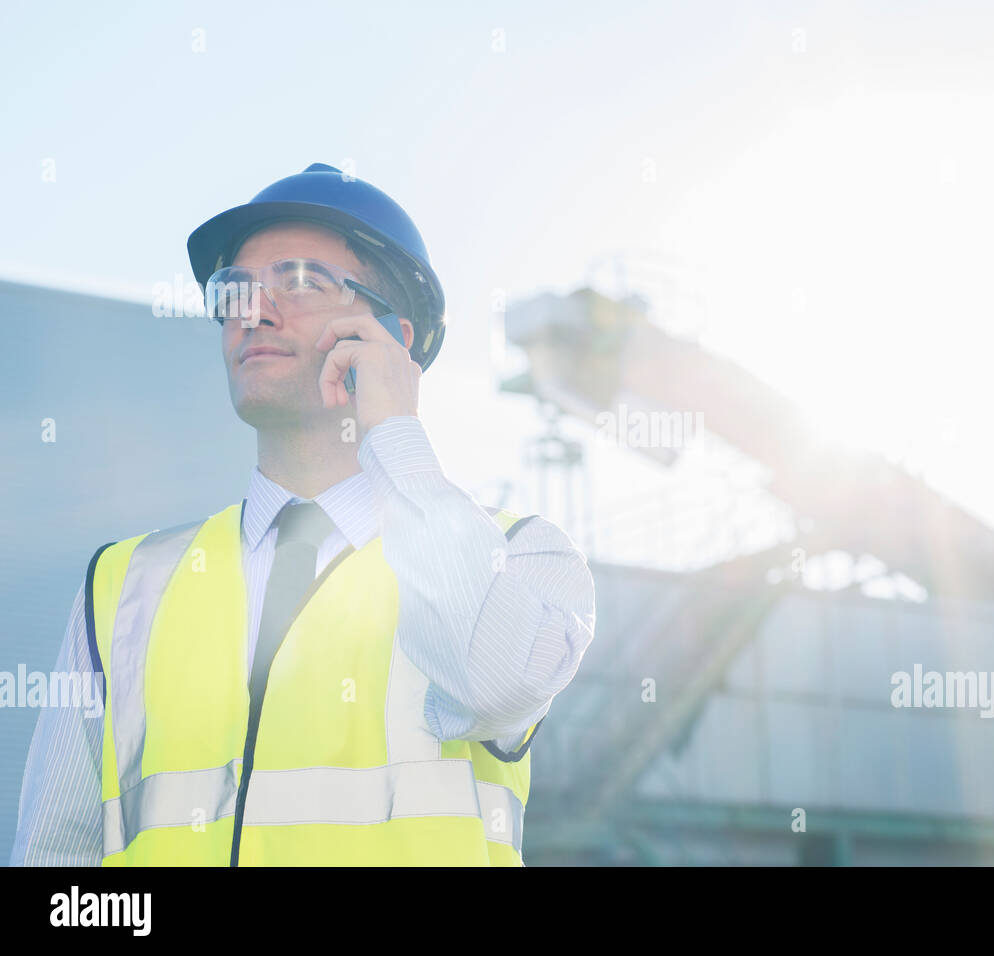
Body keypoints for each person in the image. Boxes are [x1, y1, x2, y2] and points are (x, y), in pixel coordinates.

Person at [10, 163, 596, 866]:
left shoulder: (523, 556)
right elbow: (55, 862)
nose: (252, 311)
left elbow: (491, 677)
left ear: (392, 338)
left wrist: (396, 436)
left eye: (299, 281)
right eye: (237, 291)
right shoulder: (122, 587)